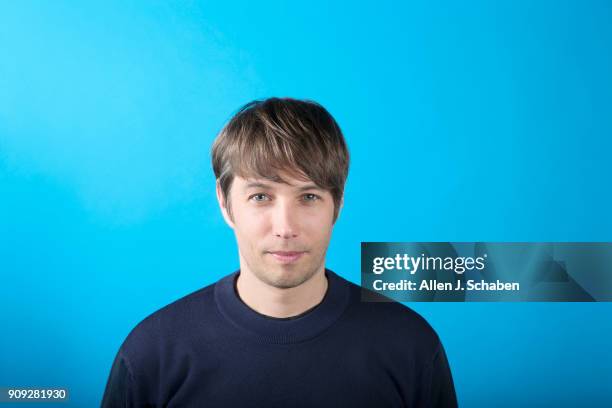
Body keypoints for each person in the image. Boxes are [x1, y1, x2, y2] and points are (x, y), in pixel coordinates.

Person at [101, 97, 458, 407]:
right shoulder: (152, 354)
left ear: (338, 205)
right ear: (225, 204)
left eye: (308, 197)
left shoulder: (410, 347)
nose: (285, 227)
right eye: (261, 197)